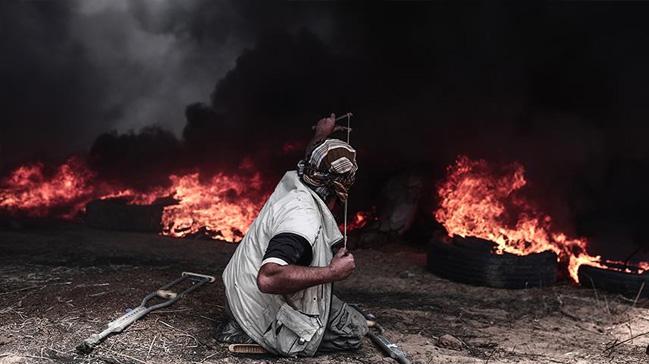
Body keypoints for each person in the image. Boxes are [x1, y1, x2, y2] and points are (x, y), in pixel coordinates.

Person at [220, 113, 368, 357]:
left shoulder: (302, 177)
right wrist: (333, 272)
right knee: (354, 329)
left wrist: (321, 135)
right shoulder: (303, 218)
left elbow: (313, 158)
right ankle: (249, 332)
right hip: (253, 307)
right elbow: (268, 278)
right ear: (339, 189)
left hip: (236, 291)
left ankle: (246, 322)